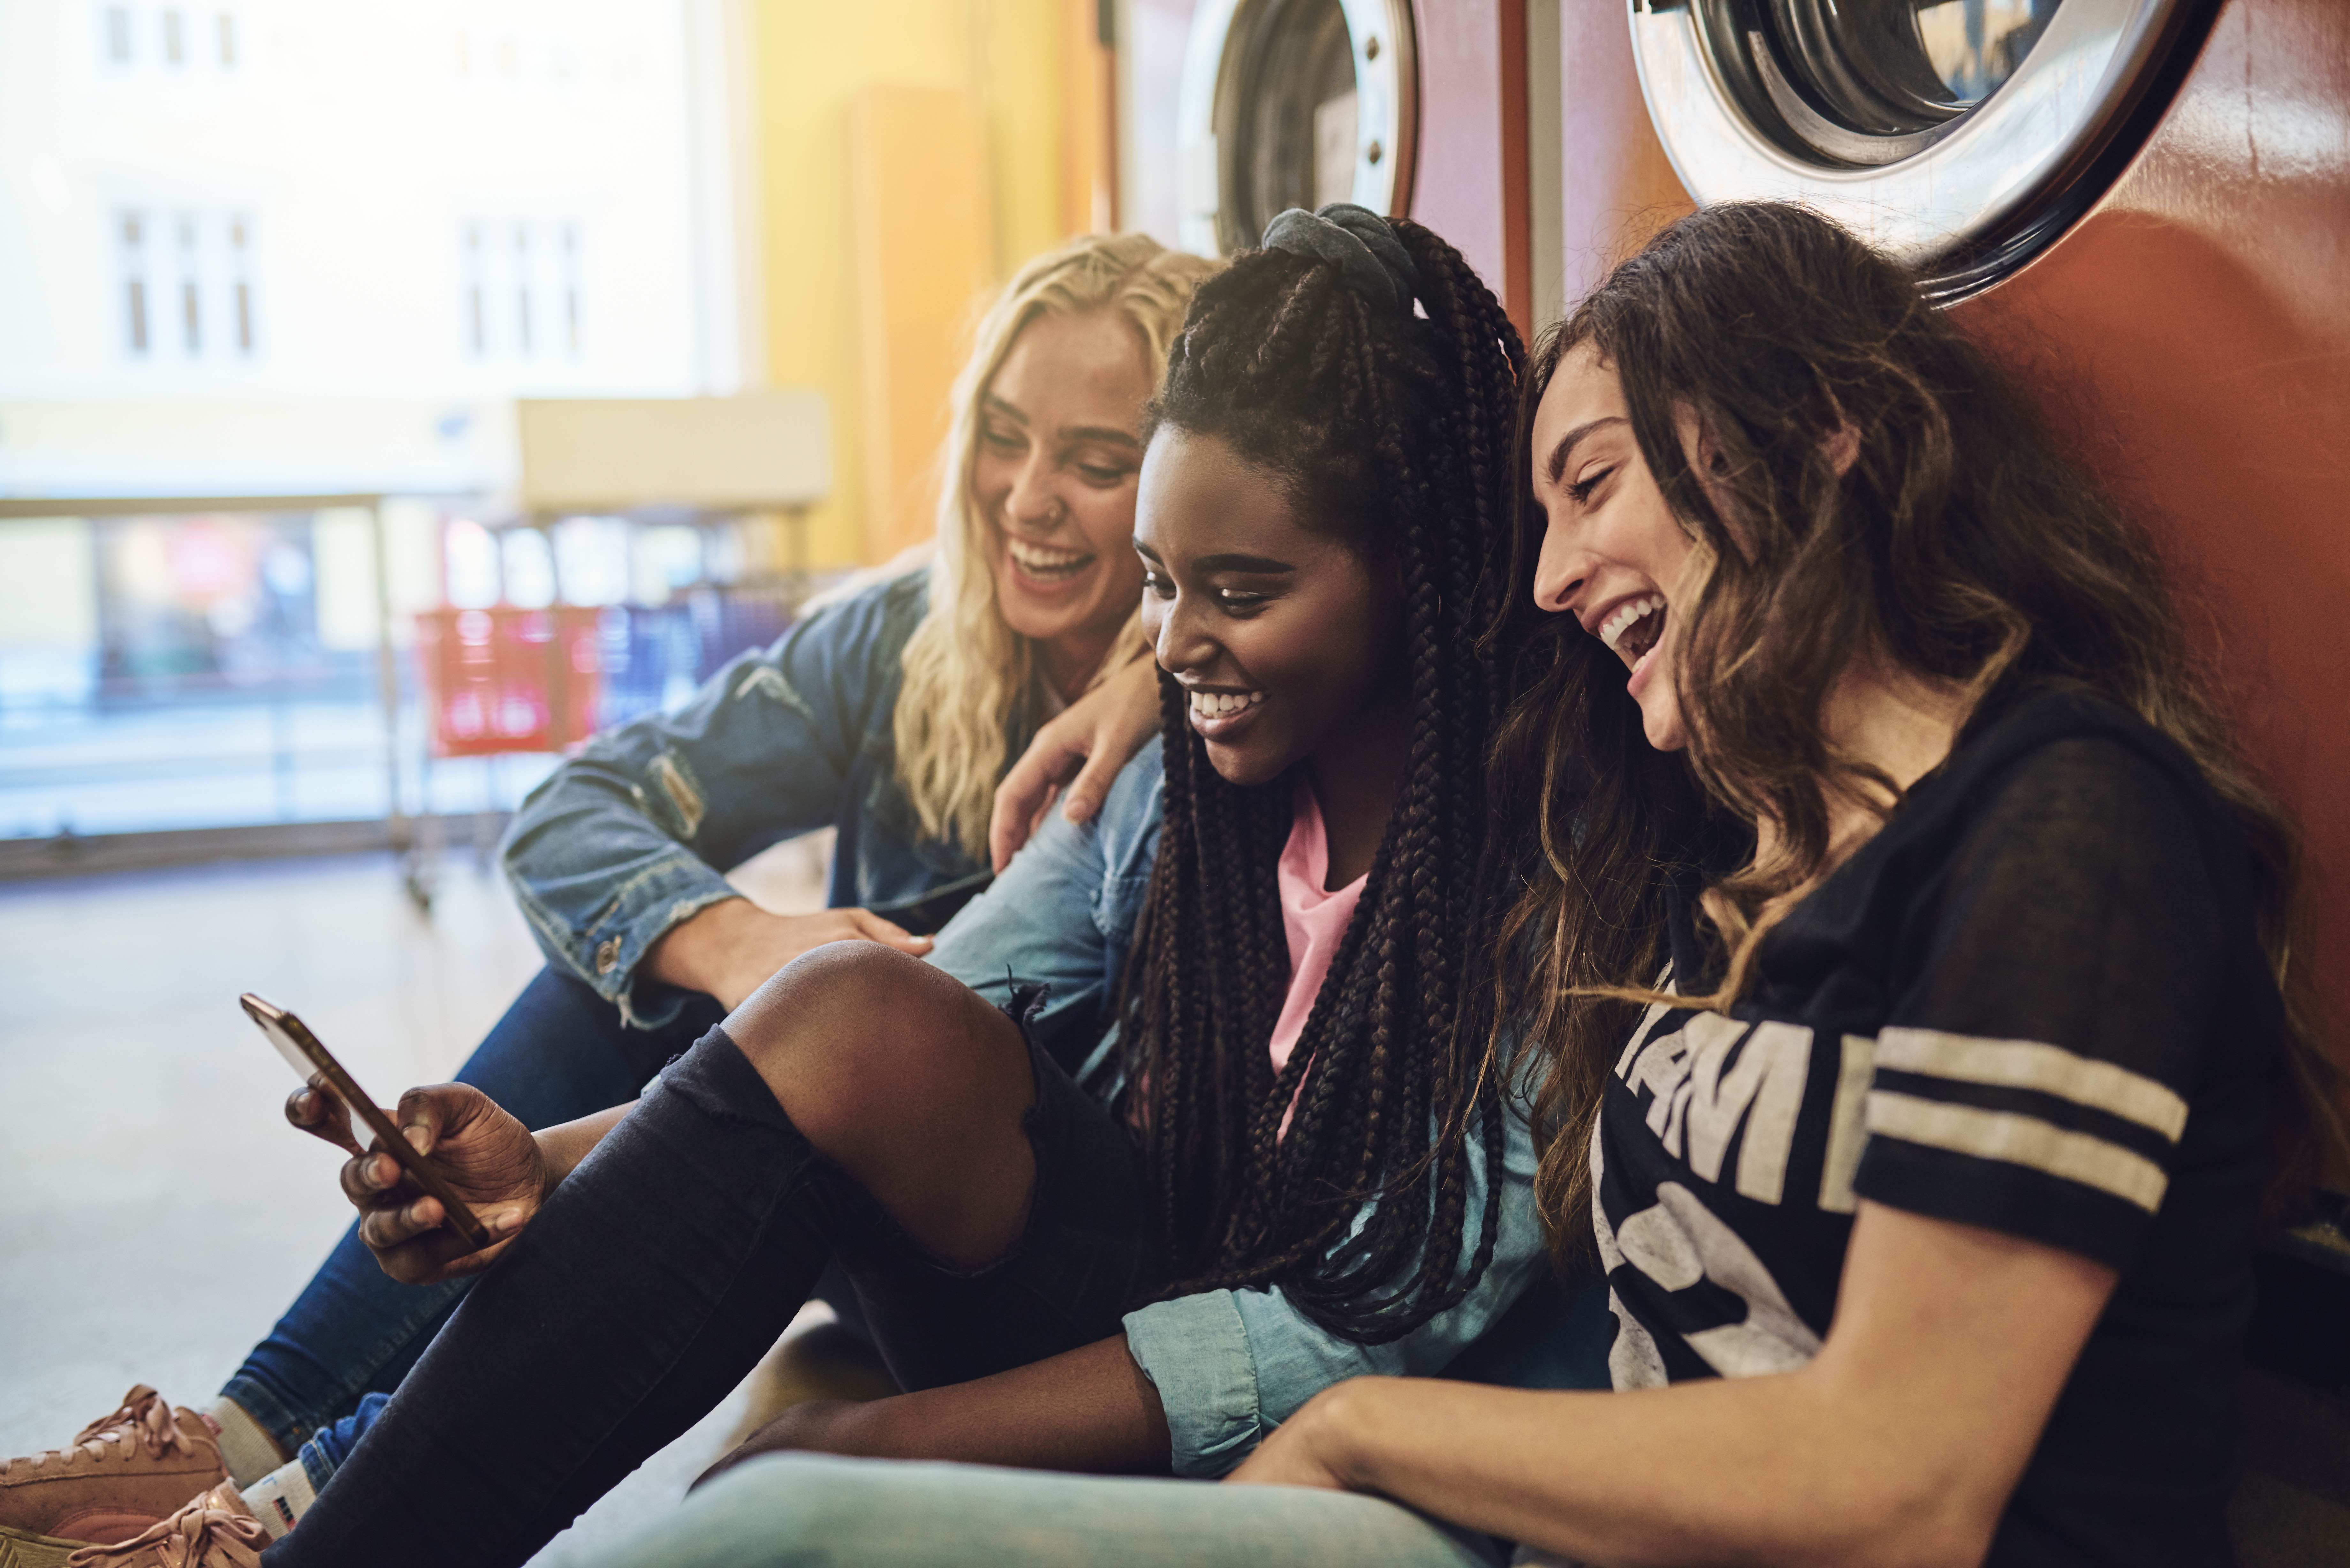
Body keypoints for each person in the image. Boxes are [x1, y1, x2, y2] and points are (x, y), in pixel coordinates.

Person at [556, 200, 2332, 1568]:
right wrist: (1163, 646)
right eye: (1535, 515)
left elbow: (1902, 1485)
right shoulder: (1750, 850)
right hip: (1544, 1520)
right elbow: (1433, 611)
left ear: (1814, 433)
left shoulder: (2072, 828)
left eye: (1592, 486)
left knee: (793, 1527)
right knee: (791, 1424)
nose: (1552, 574)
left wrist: (1370, 1434)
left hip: (1509, 1494)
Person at [57, 205, 1550, 1568]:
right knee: (841, 1002)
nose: (1165, 645)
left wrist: (874, 1439)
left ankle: (299, 1507)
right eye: (1161, 583)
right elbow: (917, 1007)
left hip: (1251, 1359)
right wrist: (553, 1163)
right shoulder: (1155, 772)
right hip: (1100, 1256)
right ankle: (300, 1504)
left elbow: (1341, 1338)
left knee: (833, 1033)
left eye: (1235, 591)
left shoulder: (1542, 879)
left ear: (1420, 570)